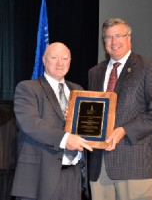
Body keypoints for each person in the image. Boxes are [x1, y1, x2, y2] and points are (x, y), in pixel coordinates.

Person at [88, 17, 152, 200]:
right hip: (99, 166)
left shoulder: (148, 66)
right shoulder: (95, 72)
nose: (114, 42)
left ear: (129, 38)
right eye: (108, 37)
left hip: (134, 162)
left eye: (119, 35)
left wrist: (124, 130)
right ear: (104, 42)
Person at [11, 42, 93, 200]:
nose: (60, 62)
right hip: (39, 177)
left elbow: (87, 125)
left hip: (73, 175)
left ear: (70, 61)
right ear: (44, 59)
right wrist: (65, 139)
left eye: (64, 58)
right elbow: (30, 123)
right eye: (54, 57)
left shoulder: (79, 90)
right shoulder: (28, 88)